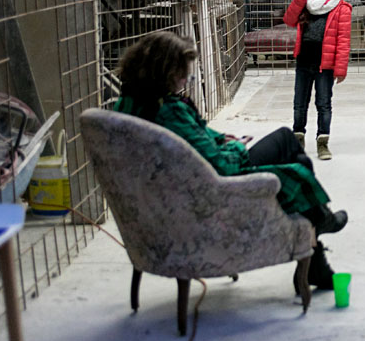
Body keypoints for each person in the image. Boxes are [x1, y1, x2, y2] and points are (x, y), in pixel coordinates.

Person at [114, 31, 346, 290]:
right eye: (182, 73)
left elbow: (192, 136)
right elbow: (220, 166)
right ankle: (318, 231)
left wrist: (217, 137)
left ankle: (317, 243)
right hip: (214, 189)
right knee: (296, 158)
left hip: (177, 187)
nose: (184, 80)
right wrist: (235, 147)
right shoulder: (168, 110)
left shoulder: (129, 104)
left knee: (289, 145)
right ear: (164, 72)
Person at [283, 0, 352, 160]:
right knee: (299, 103)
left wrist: (341, 69)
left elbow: (343, 41)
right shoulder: (306, 1)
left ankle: (323, 143)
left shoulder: (340, 6)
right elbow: (289, 20)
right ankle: (298, 140)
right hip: (304, 60)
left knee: (323, 103)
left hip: (325, 64)